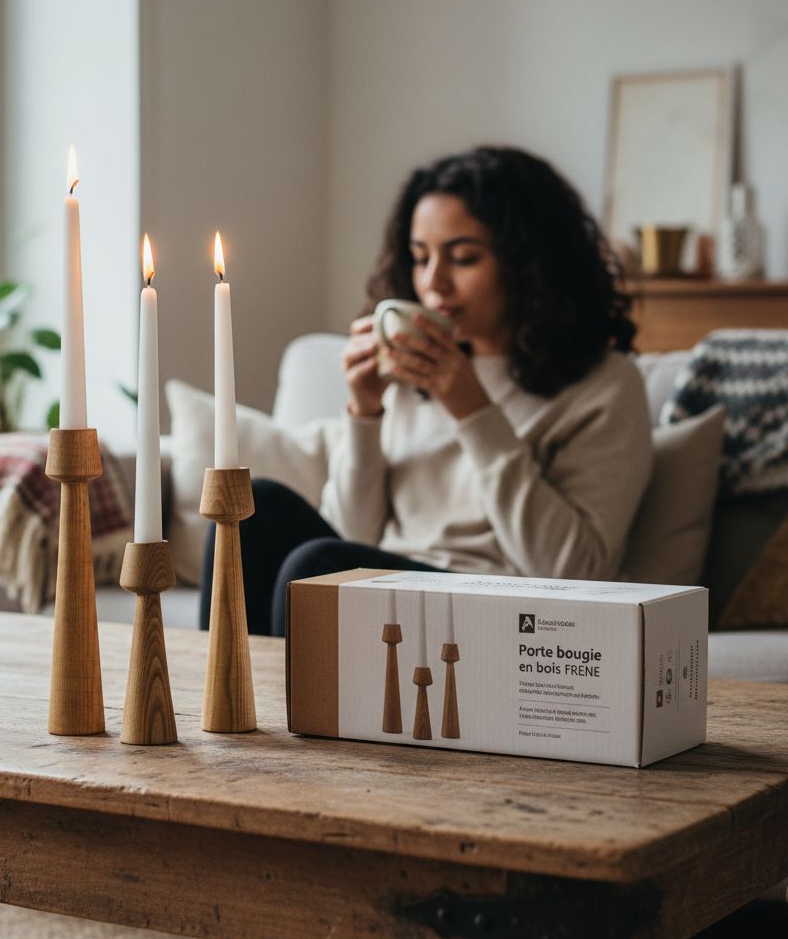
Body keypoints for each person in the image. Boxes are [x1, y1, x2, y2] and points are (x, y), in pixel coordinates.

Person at [199, 145, 653, 640]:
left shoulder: (604, 385)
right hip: (386, 584)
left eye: (463, 258)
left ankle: (295, 710)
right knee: (249, 509)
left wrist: (472, 409)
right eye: (420, 258)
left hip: (500, 609)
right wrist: (365, 413)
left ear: (530, 263)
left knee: (320, 567)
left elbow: (576, 572)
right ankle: (222, 700)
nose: (433, 282)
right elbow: (355, 536)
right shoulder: (411, 372)